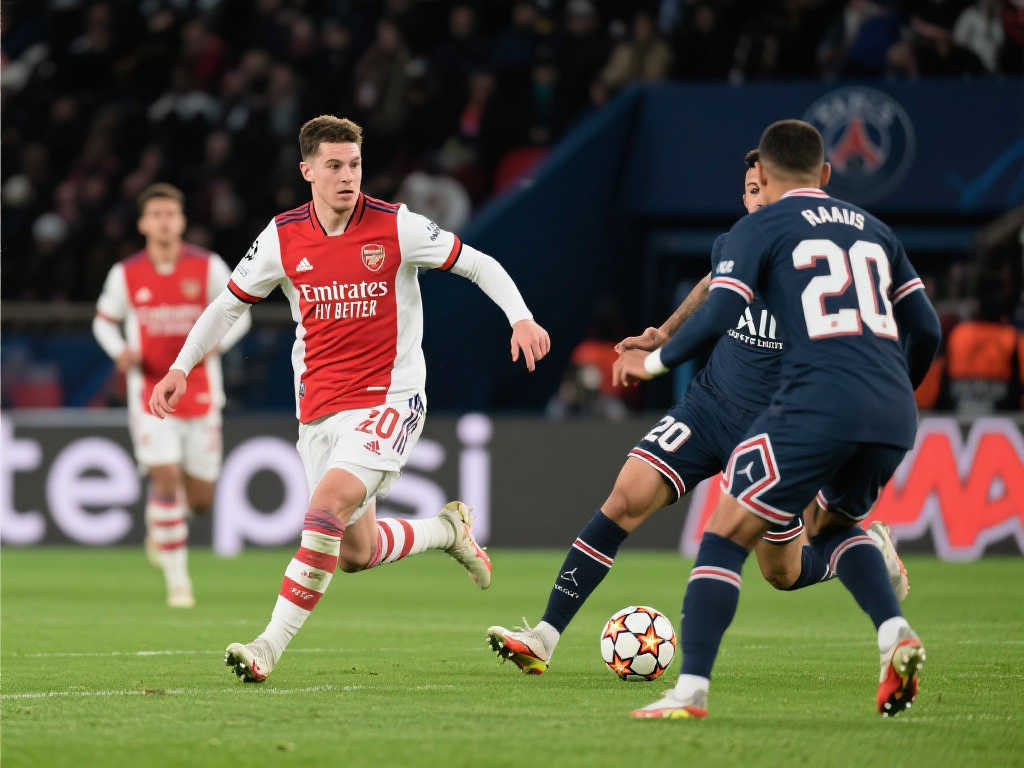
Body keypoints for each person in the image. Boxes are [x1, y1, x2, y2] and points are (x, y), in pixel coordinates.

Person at [148, 115, 550, 682]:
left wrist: (521, 317)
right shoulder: (283, 236)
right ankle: (447, 531)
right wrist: (181, 366)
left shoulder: (397, 226)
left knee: (324, 509)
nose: (347, 176)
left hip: (389, 399)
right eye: (334, 165)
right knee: (355, 553)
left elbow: (478, 263)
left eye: (354, 164)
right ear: (307, 171)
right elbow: (229, 304)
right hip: (319, 410)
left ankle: (267, 646)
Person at [486, 149, 908, 676]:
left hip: (774, 432)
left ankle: (871, 552)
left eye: (767, 187)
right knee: (625, 497)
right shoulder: (734, 243)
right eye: (751, 190)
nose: (759, 198)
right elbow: (712, 284)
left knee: (781, 573)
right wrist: (662, 332)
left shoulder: (815, 261)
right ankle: (544, 638)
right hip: (709, 408)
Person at [615, 120, 941, 719]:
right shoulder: (876, 230)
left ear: (761, 175)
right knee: (834, 526)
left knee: (725, 534)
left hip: (817, 401)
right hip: (892, 409)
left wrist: (654, 361)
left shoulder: (759, 226)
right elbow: (927, 328)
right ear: (825, 173)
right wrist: (899, 389)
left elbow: (719, 314)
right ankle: (894, 631)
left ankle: (690, 692)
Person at [93, 183, 252, 608]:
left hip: (201, 394)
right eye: (156, 215)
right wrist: (119, 350)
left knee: (199, 502)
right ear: (143, 223)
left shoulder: (207, 266)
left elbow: (239, 313)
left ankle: (159, 521)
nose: (164, 222)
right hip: (149, 393)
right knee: (165, 477)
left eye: (171, 215)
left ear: (182, 222)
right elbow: (103, 321)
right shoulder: (125, 274)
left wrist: (220, 342)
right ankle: (179, 584)